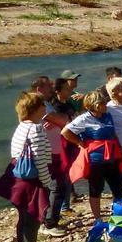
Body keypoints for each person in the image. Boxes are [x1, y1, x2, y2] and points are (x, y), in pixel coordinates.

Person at [4, 91, 56, 242]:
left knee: (23, 218)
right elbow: (40, 160)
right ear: (35, 109)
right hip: (32, 182)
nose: (45, 107)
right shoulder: (35, 129)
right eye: (42, 105)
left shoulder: (21, 127)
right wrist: (47, 182)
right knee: (33, 220)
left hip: (18, 181)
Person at [62, 90, 122, 222]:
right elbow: (65, 132)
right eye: (103, 103)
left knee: (118, 187)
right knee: (96, 189)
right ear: (96, 105)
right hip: (95, 161)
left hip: (112, 158)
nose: (106, 105)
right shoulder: (84, 119)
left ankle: (119, 215)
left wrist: (120, 149)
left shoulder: (107, 115)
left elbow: (113, 134)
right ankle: (98, 218)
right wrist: (79, 142)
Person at [36, 77, 69, 235]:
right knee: (57, 187)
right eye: (48, 86)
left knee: (54, 187)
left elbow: (62, 120)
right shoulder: (38, 105)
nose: (52, 88)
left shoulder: (46, 104)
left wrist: (58, 120)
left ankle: (48, 219)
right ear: (39, 89)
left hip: (53, 151)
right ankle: (49, 223)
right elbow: (63, 120)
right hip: (48, 153)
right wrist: (60, 120)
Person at [50, 77, 79, 218]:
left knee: (68, 173)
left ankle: (64, 204)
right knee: (64, 174)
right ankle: (63, 206)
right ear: (58, 91)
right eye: (66, 89)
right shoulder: (55, 107)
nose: (70, 91)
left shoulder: (67, 103)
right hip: (62, 143)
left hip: (71, 142)